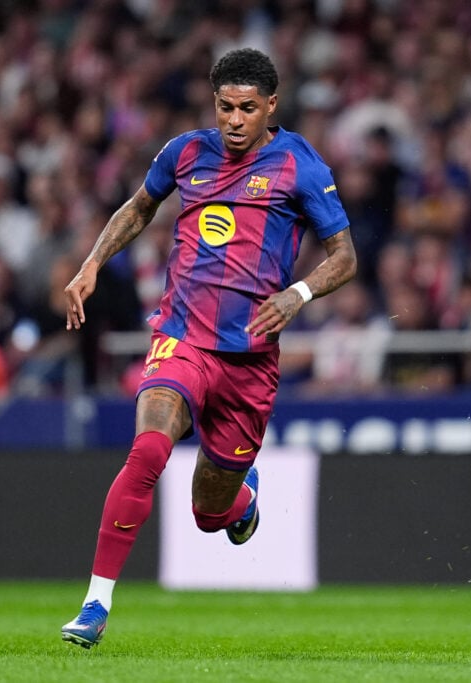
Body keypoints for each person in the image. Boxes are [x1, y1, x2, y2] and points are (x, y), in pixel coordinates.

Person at [59, 47, 357, 648]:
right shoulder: (185, 152)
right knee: (147, 451)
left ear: (271, 106)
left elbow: (344, 257)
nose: (236, 120)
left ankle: (237, 503)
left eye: (249, 108)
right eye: (226, 107)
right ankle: (95, 606)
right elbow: (141, 206)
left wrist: (297, 294)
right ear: (214, 103)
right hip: (182, 339)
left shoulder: (299, 163)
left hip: (250, 363)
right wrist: (92, 262)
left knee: (206, 513)